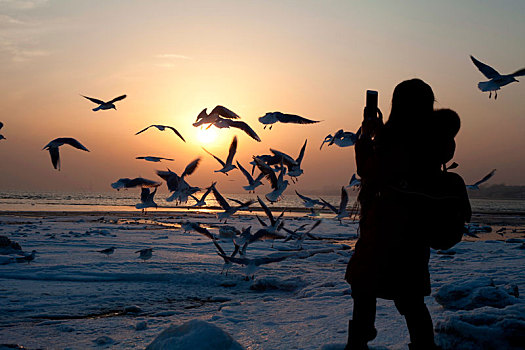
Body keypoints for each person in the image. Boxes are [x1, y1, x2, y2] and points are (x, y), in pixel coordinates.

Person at [345, 79, 443, 350]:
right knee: (411, 300)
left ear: (397, 105)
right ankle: (423, 347)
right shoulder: (431, 138)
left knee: (363, 288)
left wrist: (368, 136)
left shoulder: (397, 139)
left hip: (385, 231)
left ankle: (359, 342)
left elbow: (370, 170)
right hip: (414, 234)